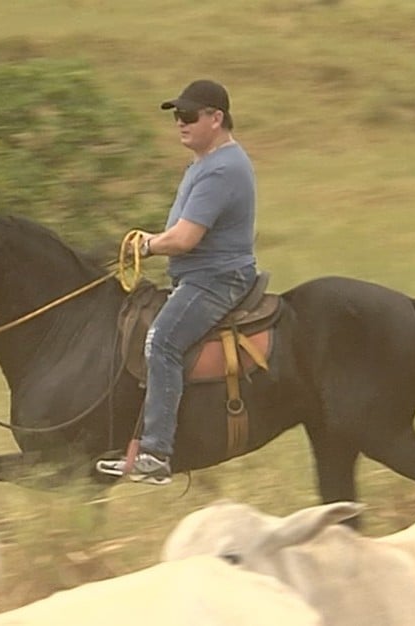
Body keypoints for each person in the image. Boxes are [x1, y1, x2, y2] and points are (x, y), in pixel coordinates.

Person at [97, 79, 257, 485]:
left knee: (162, 342)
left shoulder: (221, 169)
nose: (180, 124)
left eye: (188, 116)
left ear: (216, 118)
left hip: (216, 280)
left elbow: (185, 239)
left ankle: (156, 453)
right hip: (201, 276)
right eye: (176, 117)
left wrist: (146, 245)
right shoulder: (206, 163)